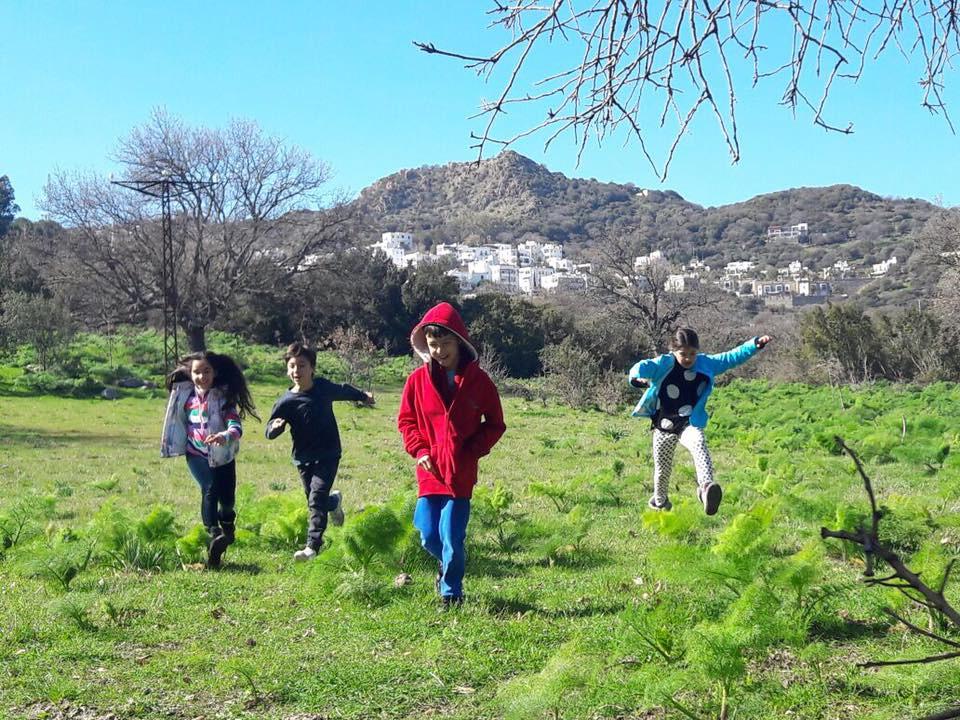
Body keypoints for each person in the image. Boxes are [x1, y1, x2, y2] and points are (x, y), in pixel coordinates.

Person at [397, 302, 506, 607]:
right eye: (433, 345)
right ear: (425, 344)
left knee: (452, 538)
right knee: (429, 536)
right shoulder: (416, 382)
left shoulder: (480, 382)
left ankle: (451, 593)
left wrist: (472, 451)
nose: (440, 351)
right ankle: (444, 566)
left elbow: (496, 425)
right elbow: (406, 422)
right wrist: (419, 450)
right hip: (429, 473)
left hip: (460, 474)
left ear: (459, 340)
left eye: (445, 343)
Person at [628, 328, 772, 515]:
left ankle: (705, 488)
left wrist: (754, 346)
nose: (688, 358)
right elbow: (641, 367)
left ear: (698, 351)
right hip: (664, 424)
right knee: (662, 471)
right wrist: (636, 378)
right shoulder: (663, 363)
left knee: (699, 443)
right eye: (683, 354)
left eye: (692, 354)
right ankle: (660, 503)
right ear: (673, 351)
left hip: (688, 422)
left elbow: (730, 358)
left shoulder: (705, 363)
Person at [265, 342, 374, 561]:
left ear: (312, 368)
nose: (297, 371)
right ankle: (334, 503)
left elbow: (343, 390)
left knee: (316, 498)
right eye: (293, 366)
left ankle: (312, 547)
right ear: (287, 370)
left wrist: (363, 395)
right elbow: (269, 429)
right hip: (303, 458)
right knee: (316, 500)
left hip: (328, 453)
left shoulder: (322, 388)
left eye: (302, 366)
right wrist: (274, 429)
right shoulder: (285, 402)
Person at [161, 351, 258, 568]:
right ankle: (213, 532)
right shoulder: (184, 397)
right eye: (197, 372)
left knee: (227, 500)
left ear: (215, 373)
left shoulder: (222, 398)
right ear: (190, 373)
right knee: (209, 487)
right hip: (195, 454)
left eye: (206, 371)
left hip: (223, 455)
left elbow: (236, 426)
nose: (202, 377)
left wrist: (224, 436)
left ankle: (227, 528)